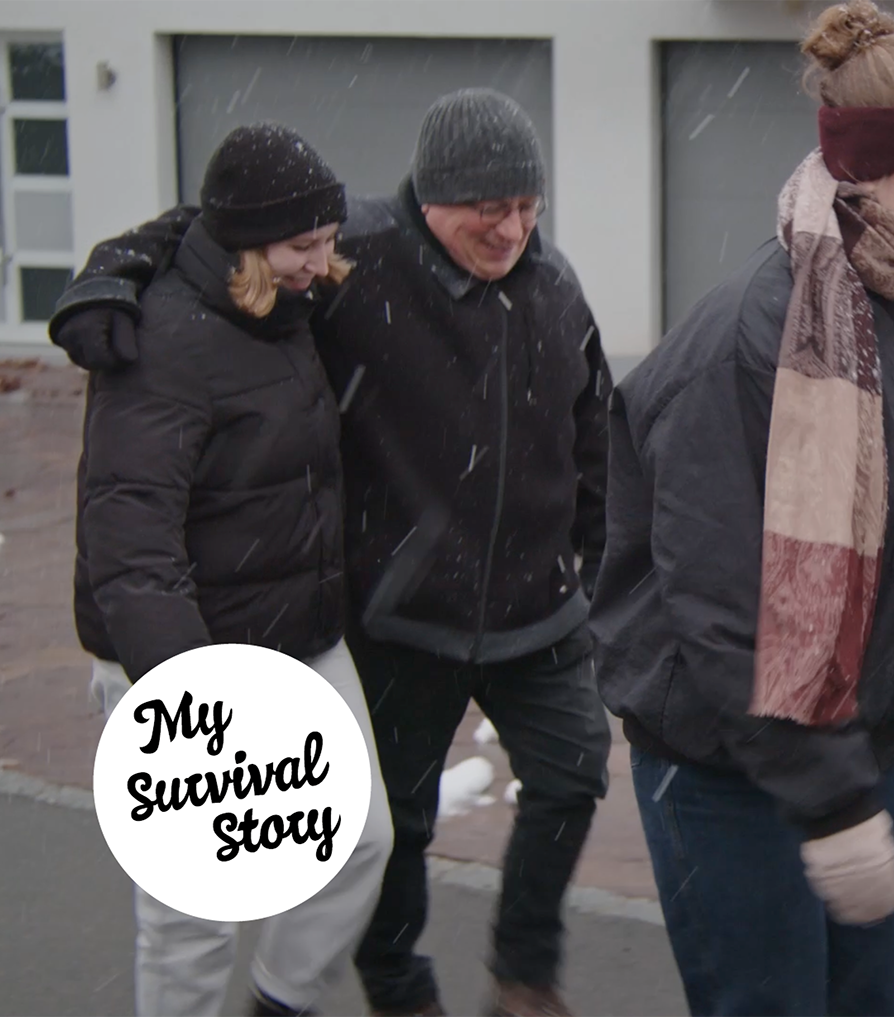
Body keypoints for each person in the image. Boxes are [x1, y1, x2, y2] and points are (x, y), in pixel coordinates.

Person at [52, 89, 614, 1017]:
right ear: (429, 200)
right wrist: (116, 267)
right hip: (306, 634)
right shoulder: (295, 287)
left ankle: (417, 985)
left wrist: (595, 562)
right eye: (490, 207)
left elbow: (594, 431)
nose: (514, 228)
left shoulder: (519, 287)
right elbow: (132, 537)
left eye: (529, 206)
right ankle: (388, 989)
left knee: (436, 816)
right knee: (255, 881)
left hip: (424, 619)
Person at [587, 4, 894, 1015]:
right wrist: (828, 798)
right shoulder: (749, 342)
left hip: (866, 745)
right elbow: (720, 605)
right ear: (873, 170)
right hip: (728, 768)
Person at [75, 123, 394, 1017]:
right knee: (194, 912)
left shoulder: (279, 300)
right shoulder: (162, 346)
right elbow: (129, 539)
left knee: (359, 839)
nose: (324, 262)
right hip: (183, 661)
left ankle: (278, 1002)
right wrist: (190, 696)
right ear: (247, 244)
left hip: (296, 634)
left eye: (328, 240)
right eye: (305, 246)